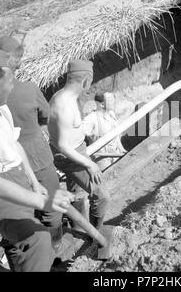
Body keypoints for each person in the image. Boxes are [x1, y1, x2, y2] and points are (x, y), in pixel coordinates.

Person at [0, 66, 74, 272]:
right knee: (37, 238)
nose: (14, 86)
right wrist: (44, 200)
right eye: (11, 82)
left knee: (21, 241)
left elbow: (15, 146)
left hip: (16, 180)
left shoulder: (2, 110)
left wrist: (33, 182)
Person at [0, 35, 64, 248]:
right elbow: (45, 115)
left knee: (20, 216)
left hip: (6, 167)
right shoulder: (29, 89)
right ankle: (56, 249)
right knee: (51, 206)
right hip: (36, 157)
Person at [48, 59, 110, 231]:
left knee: (76, 192)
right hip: (71, 155)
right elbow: (63, 146)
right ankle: (95, 234)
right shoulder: (64, 106)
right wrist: (89, 164)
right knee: (102, 196)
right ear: (86, 80)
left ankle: (78, 228)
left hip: (75, 151)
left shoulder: (63, 96)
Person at [82, 91, 126, 171]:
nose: (114, 101)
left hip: (116, 155)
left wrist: (122, 150)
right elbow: (78, 137)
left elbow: (115, 136)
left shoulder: (111, 114)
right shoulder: (91, 119)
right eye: (110, 100)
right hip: (101, 160)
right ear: (102, 104)